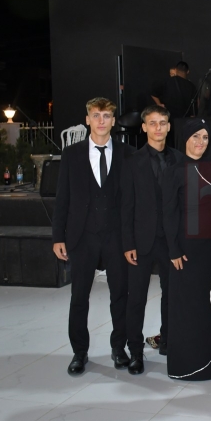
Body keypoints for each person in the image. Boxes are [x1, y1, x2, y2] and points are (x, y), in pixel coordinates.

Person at [52, 97, 134, 376]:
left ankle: (118, 347)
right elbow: (62, 198)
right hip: (82, 236)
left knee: (120, 295)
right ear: (87, 119)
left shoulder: (127, 154)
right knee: (79, 297)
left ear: (113, 120)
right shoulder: (71, 154)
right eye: (96, 115)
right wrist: (58, 236)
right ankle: (79, 352)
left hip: (117, 237)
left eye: (106, 115)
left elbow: (132, 200)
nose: (101, 121)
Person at [120, 105, 183, 374]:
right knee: (136, 299)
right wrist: (128, 243)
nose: (158, 128)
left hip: (171, 242)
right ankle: (135, 351)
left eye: (163, 122)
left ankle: (168, 340)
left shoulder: (180, 159)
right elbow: (126, 206)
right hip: (141, 242)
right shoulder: (132, 161)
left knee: (172, 295)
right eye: (153, 123)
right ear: (144, 127)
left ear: (169, 126)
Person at [162, 118, 211, 380]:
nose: (200, 142)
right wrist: (174, 250)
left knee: (209, 302)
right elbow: (168, 213)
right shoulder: (174, 170)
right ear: (185, 138)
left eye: (205, 137)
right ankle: (187, 364)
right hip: (186, 250)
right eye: (195, 136)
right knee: (188, 305)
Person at [151, 61, 199, 150]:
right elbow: (195, 107)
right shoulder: (192, 86)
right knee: (182, 147)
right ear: (188, 72)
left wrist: (159, 104)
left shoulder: (166, 81)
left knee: (168, 145)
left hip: (168, 119)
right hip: (184, 122)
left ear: (176, 70)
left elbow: (153, 92)